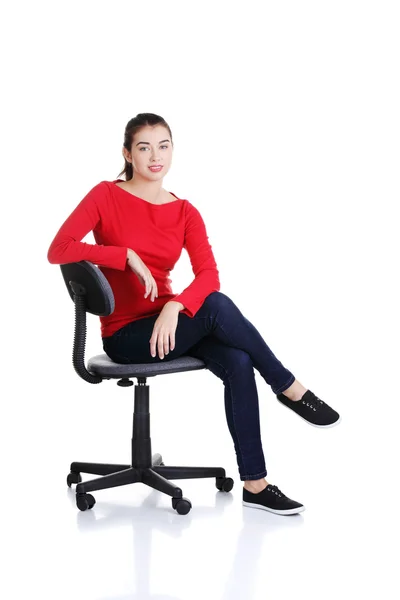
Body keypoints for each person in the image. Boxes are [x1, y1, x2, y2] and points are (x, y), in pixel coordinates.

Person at [47, 112, 341, 516]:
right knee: (217, 306)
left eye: (163, 146)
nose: (155, 156)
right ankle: (289, 387)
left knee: (238, 360)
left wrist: (174, 304)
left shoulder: (184, 210)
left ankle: (256, 484)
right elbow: (58, 248)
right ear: (127, 154)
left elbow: (208, 275)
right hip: (127, 336)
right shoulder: (104, 196)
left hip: (171, 325)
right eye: (144, 147)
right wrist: (123, 256)